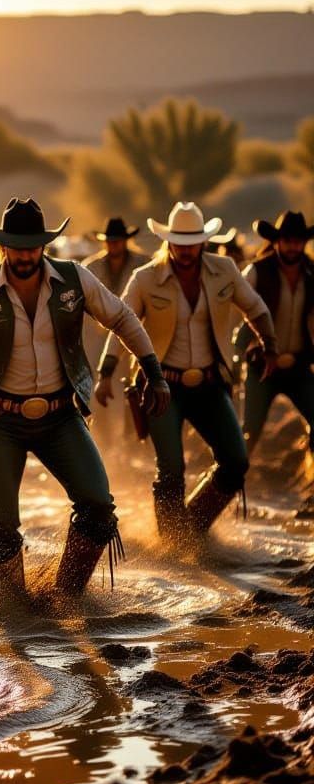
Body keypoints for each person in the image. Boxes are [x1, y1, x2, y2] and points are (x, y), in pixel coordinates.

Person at [0, 198, 168, 600]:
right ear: (3, 246)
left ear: (45, 245)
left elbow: (122, 318)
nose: (25, 253)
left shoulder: (75, 279)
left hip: (60, 415)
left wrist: (153, 373)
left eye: (33, 245)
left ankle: (65, 599)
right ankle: (9, 615)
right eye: (17, 245)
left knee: (99, 508)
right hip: (0, 420)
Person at [98, 201, 276, 544]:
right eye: (178, 241)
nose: (184, 248)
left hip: (211, 385)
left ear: (203, 242)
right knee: (172, 471)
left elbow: (255, 307)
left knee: (236, 462)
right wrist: (107, 373)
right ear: (168, 241)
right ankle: (172, 544)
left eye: (191, 241)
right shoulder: (146, 277)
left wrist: (268, 343)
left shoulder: (225, 270)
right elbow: (121, 323)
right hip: (162, 387)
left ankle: (192, 528)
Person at [236, 211, 314, 472]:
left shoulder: (312, 274)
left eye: (298, 241)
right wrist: (237, 359)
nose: (293, 246)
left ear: (304, 242)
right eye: (288, 240)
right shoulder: (257, 272)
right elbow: (242, 319)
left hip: (299, 366)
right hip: (262, 369)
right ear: (278, 241)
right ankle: (216, 497)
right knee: (247, 436)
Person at [82, 218, 152, 441]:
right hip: (97, 340)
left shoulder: (143, 266)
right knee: (98, 389)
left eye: (118, 241)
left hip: (132, 337)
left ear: (125, 241)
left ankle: (131, 440)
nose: (114, 245)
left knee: (132, 389)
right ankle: (105, 440)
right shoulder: (90, 268)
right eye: (111, 241)